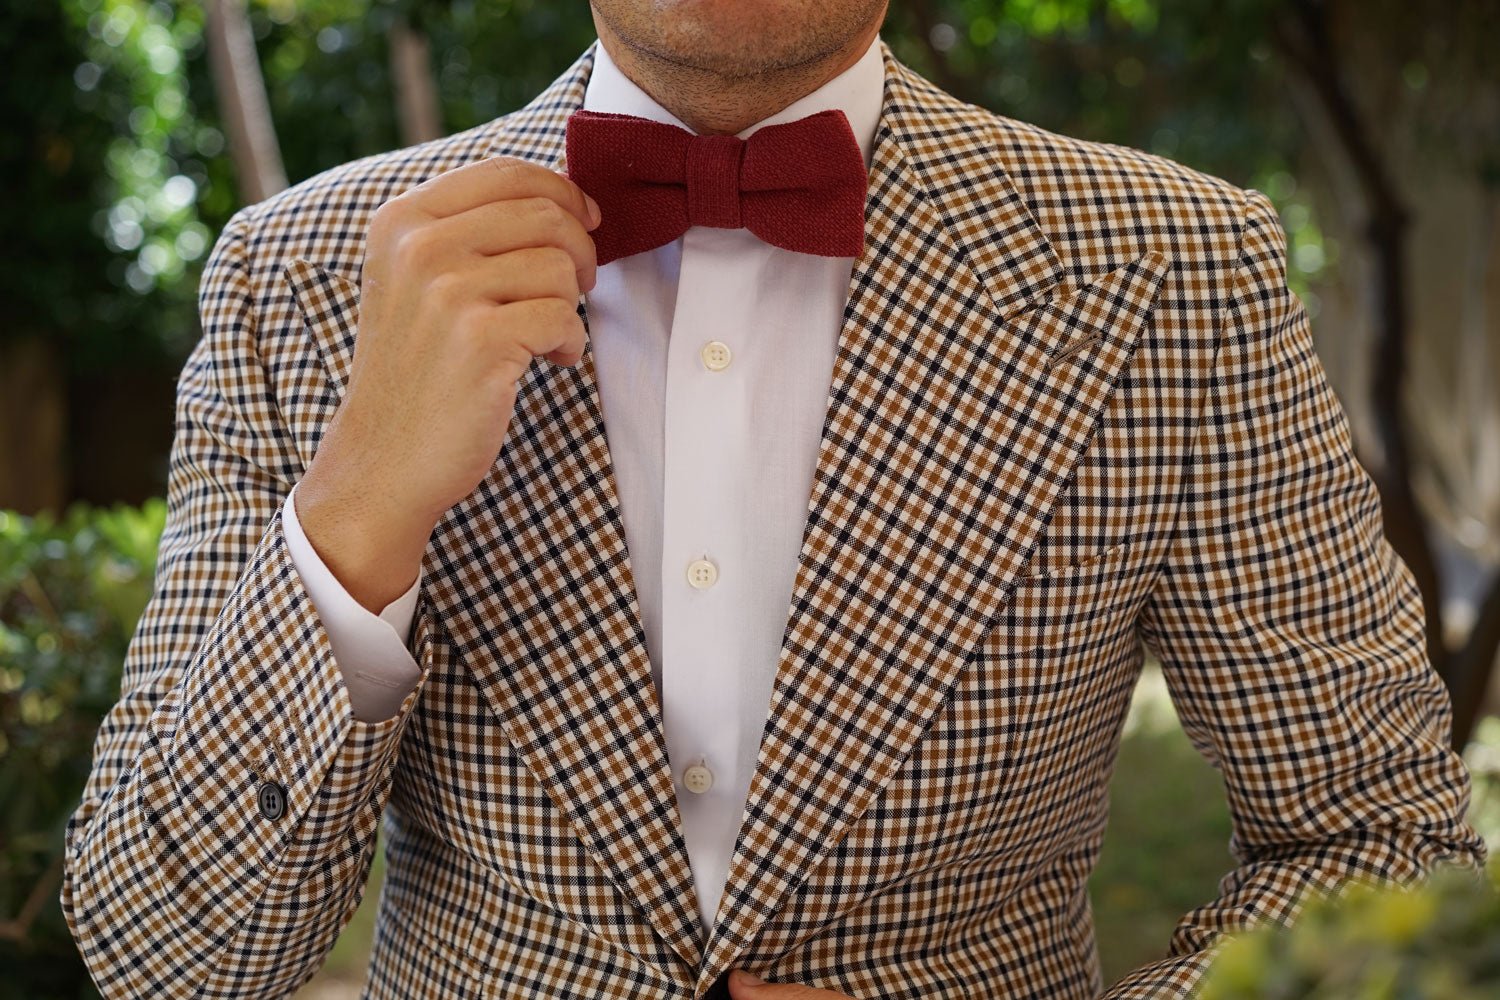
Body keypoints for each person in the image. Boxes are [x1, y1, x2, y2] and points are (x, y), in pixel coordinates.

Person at [62, 1, 1487, 998]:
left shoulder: (1180, 269)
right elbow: (165, 956)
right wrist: (357, 510)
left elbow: (1380, 841)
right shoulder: (303, 279)